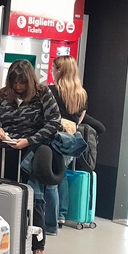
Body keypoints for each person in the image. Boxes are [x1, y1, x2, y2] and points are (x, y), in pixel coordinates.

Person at [0, 59, 60, 254]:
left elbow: (54, 122)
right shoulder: (3, 94)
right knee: (6, 198)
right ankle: (6, 246)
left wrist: (30, 140)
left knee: (34, 201)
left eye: (22, 83)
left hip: (31, 154)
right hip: (7, 153)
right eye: (14, 83)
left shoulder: (43, 93)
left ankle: (38, 248)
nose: (18, 87)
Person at [50, 56, 88, 227]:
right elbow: (79, 120)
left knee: (50, 175)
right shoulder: (82, 94)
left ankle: (51, 213)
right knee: (62, 173)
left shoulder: (51, 91)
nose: (51, 71)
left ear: (59, 70)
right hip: (71, 138)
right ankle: (62, 214)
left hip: (54, 135)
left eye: (53, 68)